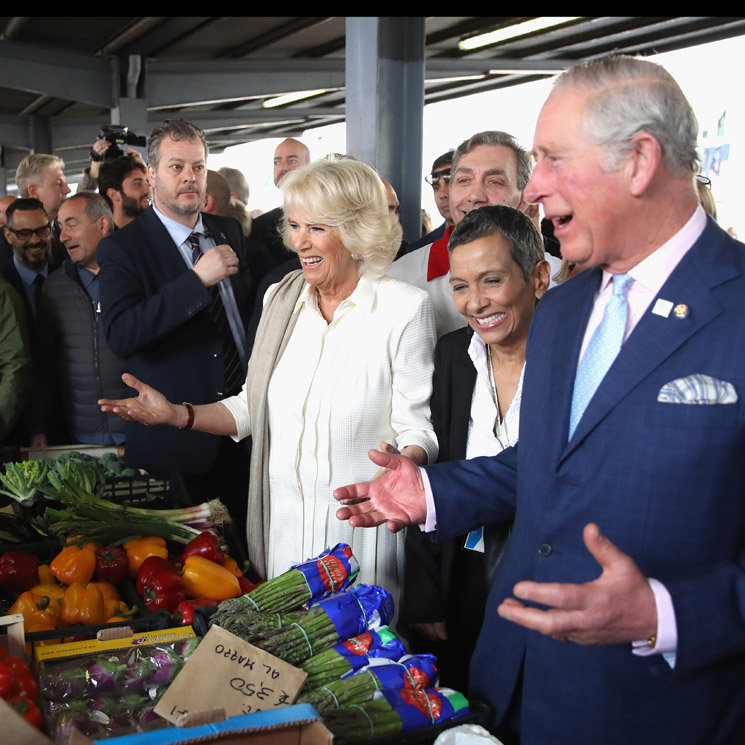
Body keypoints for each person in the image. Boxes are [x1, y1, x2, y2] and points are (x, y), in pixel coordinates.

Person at [334, 54, 745, 745]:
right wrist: (431, 493)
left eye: (552, 160)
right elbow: (546, 462)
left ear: (639, 160)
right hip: (509, 683)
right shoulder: (564, 309)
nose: (535, 189)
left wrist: (665, 613)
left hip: (654, 709)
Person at [100, 157, 438, 605]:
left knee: (355, 669)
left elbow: (419, 429)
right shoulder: (282, 299)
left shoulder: (404, 308)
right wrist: (175, 414)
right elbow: (249, 407)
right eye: (295, 226)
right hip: (284, 546)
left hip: (362, 539)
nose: (300, 242)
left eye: (317, 227)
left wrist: (403, 465)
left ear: (358, 230)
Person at [402, 205, 549, 693]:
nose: (475, 303)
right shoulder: (450, 356)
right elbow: (434, 473)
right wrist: (425, 594)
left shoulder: (574, 359)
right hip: (462, 565)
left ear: (540, 277)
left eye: (492, 281)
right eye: (460, 286)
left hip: (541, 572)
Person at [97, 119, 258, 535]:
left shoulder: (227, 232)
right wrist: (196, 281)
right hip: (178, 437)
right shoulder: (122, 247)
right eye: (176, 167)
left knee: (251, 552)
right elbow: (122, 333)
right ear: (151, 175)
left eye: (198, 167)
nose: (190, 177)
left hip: (245, 425)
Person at [29, 193, 127, 448]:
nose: (62, 237)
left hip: (140, 426)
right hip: (82, 435)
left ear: (103, 225)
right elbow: (45, 364)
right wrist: (39, 426)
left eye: (71, 225)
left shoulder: (136, 276)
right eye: (60, 228)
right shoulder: (54, 287)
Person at [250, 138, 311, 264]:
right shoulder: (261, 226)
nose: (284, 167)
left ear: (309, 166)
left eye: (292, 161)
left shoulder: (325, 215)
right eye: (277, 162)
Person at [98, 155, 150, 229]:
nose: (147, 190)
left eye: (147, 183)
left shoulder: (157, 230)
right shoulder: (104, 238)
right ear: (114, 195)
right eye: (137, 184)